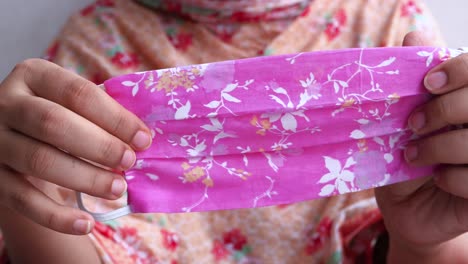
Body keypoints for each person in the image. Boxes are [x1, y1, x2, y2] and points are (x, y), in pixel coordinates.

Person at [0, 0, 467, 263]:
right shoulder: (96, 41)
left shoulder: (392, 30)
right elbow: (65, 227)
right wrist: (19, 195)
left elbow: (429, 235)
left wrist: (424, 244)